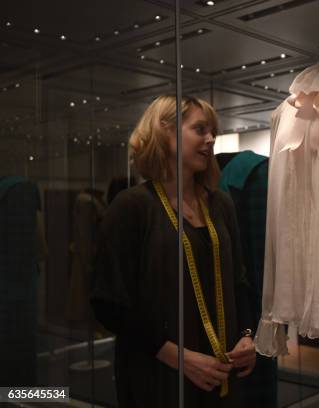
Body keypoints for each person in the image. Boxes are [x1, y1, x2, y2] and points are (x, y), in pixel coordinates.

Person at [91, 94, 256, 408]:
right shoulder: (132, 206)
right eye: (200, 129)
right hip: (158, 377)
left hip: (221, 375)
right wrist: (177, 356)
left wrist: (247, 335)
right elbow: (108, 303)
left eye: (213, 133)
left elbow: (239, 282)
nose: (210, 140)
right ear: (165, 132)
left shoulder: (220, 204)